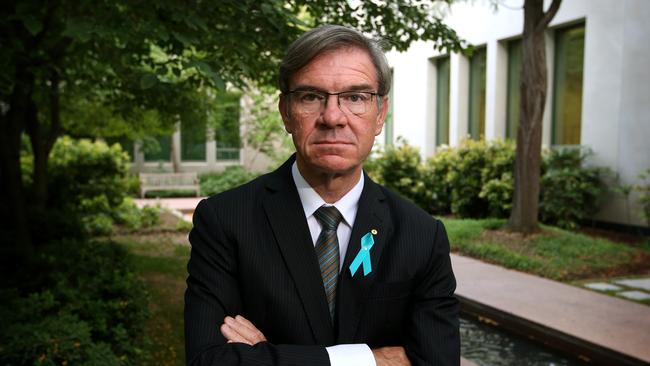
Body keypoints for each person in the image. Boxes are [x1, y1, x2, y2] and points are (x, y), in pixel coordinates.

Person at [184, 24, 460, 366]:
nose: (332, 117)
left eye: (356, 97)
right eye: (311, 97)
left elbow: (437, 361)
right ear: (286, 111)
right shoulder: (225, 221)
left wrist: (268, 356)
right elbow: (208, 361)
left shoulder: (421, 235)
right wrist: (369, 360)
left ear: (380, 114)